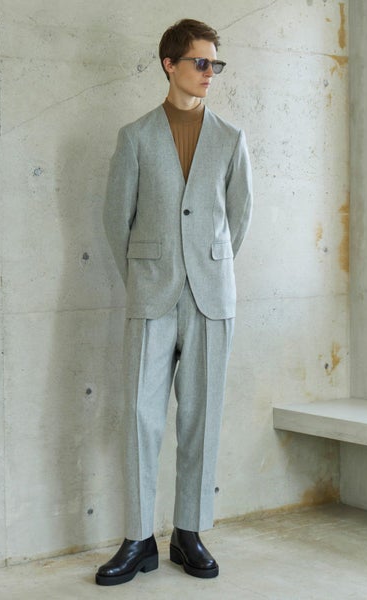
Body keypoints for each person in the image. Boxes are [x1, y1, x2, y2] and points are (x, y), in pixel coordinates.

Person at [96, 18, 253, 586]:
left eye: (215, 64)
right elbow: (116, 220)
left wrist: (207, 265)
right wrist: (147, 274)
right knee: (141, 415)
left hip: (211, 296)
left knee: (201, 416)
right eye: (200, 62)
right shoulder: (135, 137)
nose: (210, 73)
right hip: (151, 293)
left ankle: (189, 533)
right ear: (170, 63)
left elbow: (239, 217)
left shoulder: (231, 138)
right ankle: (139, 538)